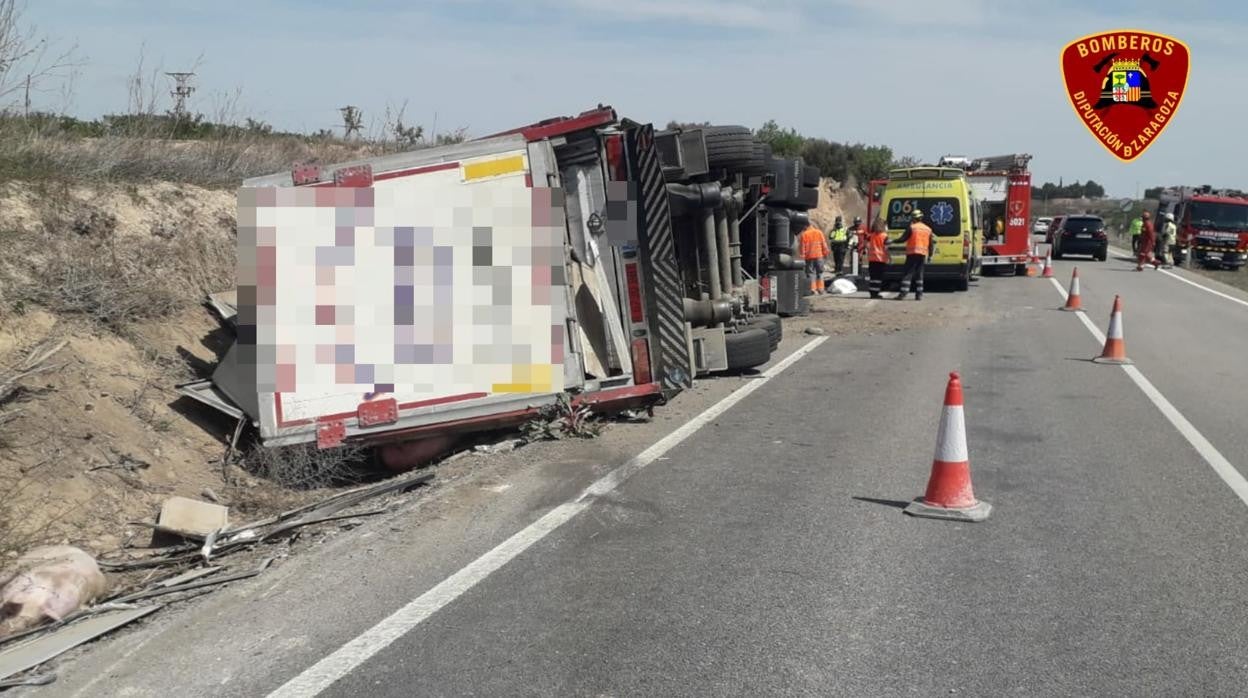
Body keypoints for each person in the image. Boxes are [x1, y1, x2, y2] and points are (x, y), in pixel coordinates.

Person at [892, 209, 933, 300]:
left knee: (908, 273)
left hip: (912, 253)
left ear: (914, 218)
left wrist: (893, 240)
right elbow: (931, 244)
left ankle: (903, 293)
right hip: (922, 254)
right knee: (919, 274)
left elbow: (903, 239)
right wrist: (930, 255)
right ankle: (919, 295)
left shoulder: (912, 227)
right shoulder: (928, 229)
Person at [798, 221, 830, 294]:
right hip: (819, 256)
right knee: (820, 273)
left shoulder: (804, 234)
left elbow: (802, 247)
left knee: (810, 273)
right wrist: (826, 253)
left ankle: (813, 289)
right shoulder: (819, 232)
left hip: (809, 257)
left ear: (805, 227)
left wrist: (802, 257)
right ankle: (821, 289)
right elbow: (823, 244)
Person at [864, 217, 890, 299]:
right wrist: (889, 257)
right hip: (880, 259)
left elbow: (866, 245)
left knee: (873, 277)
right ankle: (875, 293)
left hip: (872, 259)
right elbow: (886, 248)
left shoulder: (871, 236)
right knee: (878, 278)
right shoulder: (885, 236)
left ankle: (872, 293)